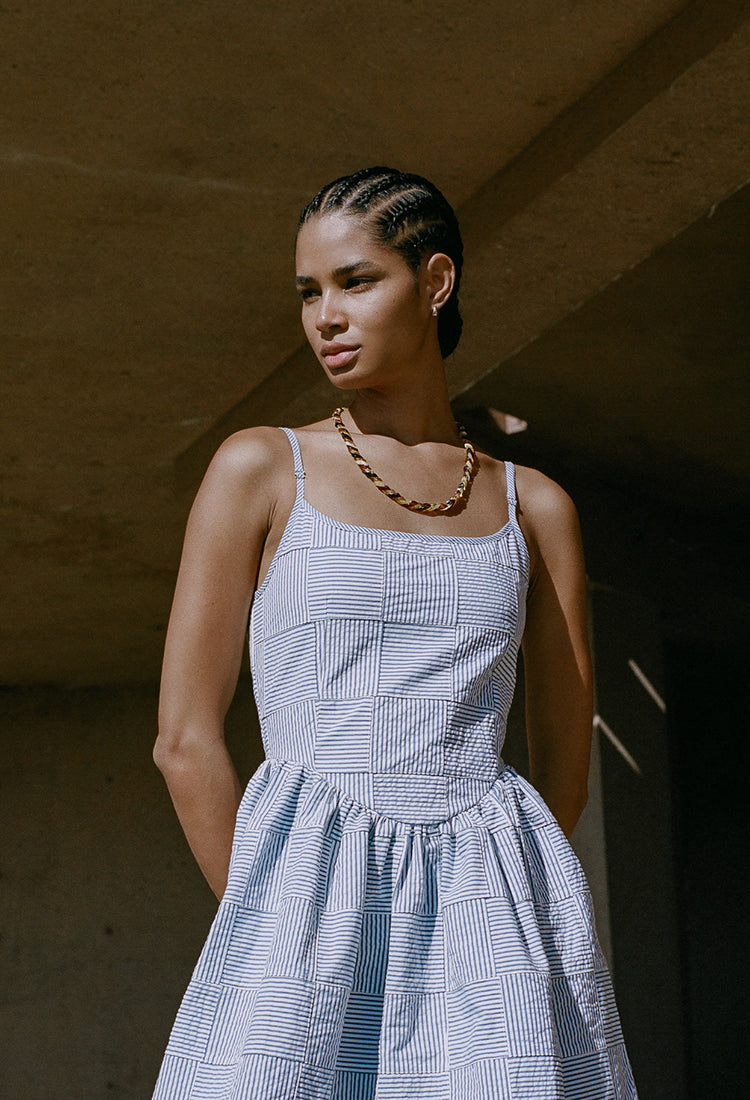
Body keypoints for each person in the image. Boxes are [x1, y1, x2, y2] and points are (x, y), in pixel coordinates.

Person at [152, 167, 638, 1098]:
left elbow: (564, 775)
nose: (325, 317)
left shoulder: (535, 507)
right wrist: (274, 918)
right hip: (299, 917)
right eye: (309, 292)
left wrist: (481, 913)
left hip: (492, 933)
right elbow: (184, 739)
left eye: (356, 281)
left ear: (436, 281)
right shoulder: (263, 468)